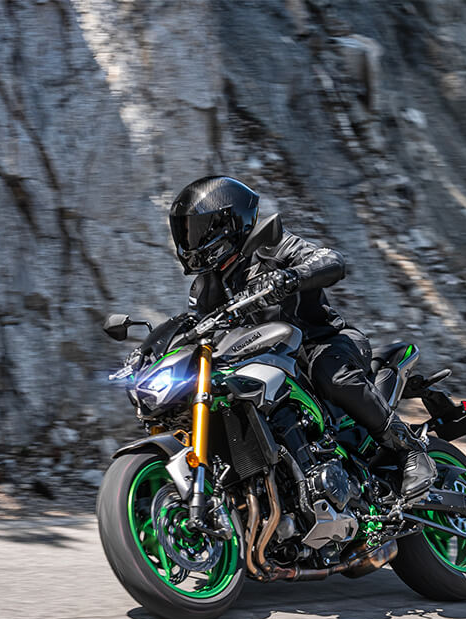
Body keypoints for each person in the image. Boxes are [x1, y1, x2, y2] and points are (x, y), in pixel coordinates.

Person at [168, 175, 435, 500]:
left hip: (322, 343)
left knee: (331, 374)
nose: (189, 240)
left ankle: (409, 448)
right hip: (265, 362)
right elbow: (197, 329)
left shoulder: (272, 246)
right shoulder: (205, 288)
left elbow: (331, 260)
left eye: (196, 230)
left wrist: (291, 276)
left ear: (227, 223)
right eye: (184, 231)